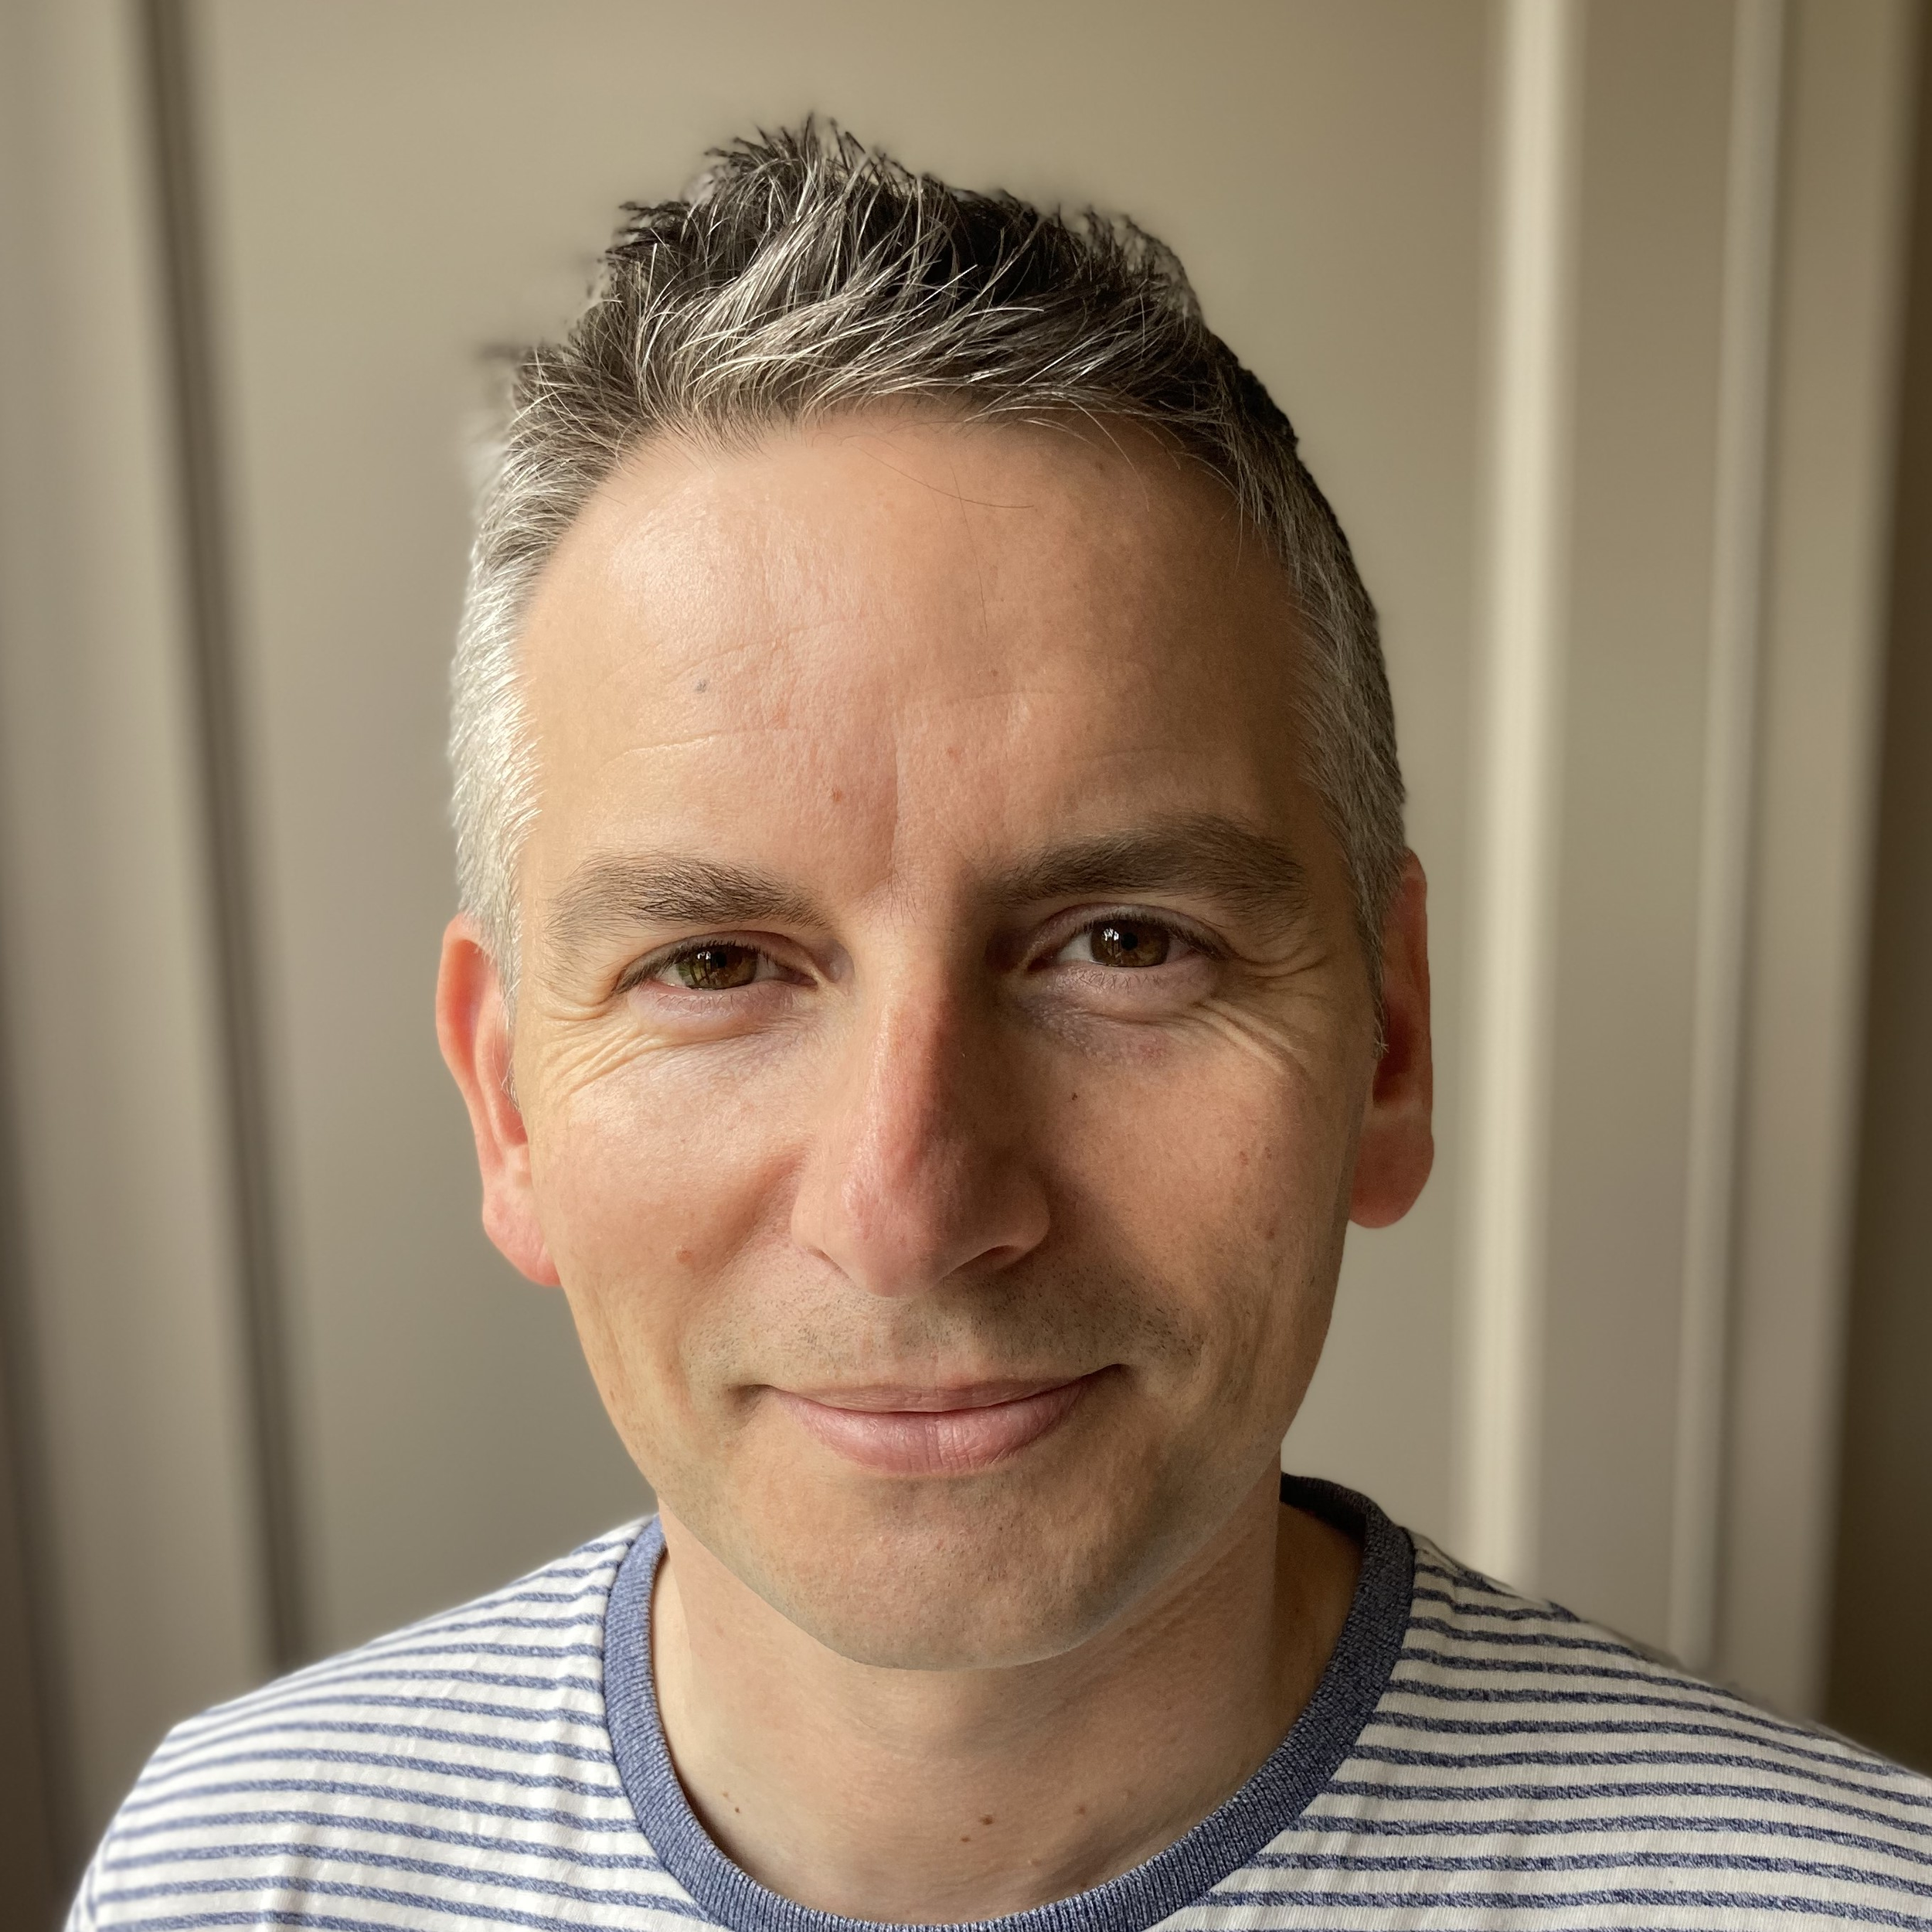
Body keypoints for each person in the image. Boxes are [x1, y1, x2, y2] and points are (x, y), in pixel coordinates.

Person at [70, 124, 1928, 1930]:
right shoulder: (236, 1864)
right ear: (506, 1102)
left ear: (1384, 1039)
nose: (909, 1202)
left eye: (1122, 940)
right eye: (715, 964)